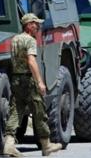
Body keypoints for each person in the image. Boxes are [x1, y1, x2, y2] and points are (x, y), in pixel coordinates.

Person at [3, 13, 62, 157]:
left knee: (16, 111)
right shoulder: (30, 40)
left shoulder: (15, 39)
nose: (38, 26)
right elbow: (31, 61)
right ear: (29, 25)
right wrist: (40, 82)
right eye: (35, 23)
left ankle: (9, 145)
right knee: (39, 111)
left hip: (16, 79)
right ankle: (46, 145)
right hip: (29, 80)